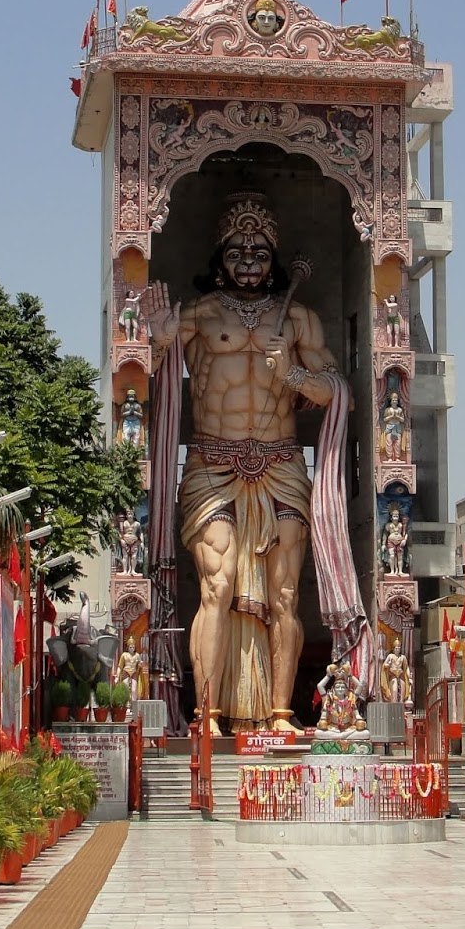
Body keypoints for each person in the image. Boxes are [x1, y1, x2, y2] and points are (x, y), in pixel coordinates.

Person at [140, 192, 345, 735]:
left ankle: (280, 712)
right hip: (213, 463)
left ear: (273, 257)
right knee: (217, 585)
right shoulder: (198, 315)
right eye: (238, 249)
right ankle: (205, 712)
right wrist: (157, 339)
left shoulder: (299, 318)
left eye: (259, 250)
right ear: (220, 256)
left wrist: (293, 375)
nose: (249, 260)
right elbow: (144, 367)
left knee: (284, 595)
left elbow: (333, 390)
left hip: (280, 463)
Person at [381, 637, 412, 704]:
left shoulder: (403, 657)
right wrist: (388, 665)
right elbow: (384, 665)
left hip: (401, 675)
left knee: (402, 692)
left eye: (399, 648)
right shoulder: (390, 656)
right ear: (393, 649)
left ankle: (401, 705)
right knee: (394, 690)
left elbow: (406, 668)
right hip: (393, 676)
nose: (397, 650)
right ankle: (394, 705)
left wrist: (409, 677)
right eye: (396, 648)